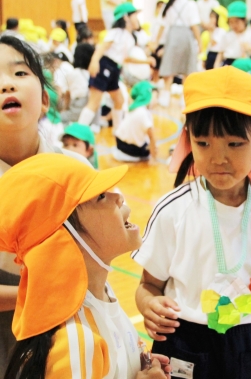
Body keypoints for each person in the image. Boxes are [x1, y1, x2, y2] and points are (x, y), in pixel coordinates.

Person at [132, 66, 251, 378]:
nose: (218, 158)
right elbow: (148, 284)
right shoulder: (174, 210)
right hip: (185, 338)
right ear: (189, 140)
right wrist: (148, 304)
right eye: (203, 143)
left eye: (234, 144)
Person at [0, 154, 171, 379]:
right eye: (100, 196)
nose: (118, 198)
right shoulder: (77, 344)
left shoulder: (101, 294)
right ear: (64, 238)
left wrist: (134, 362)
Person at [0, 35, 96, 377]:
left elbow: (102, 253)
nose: (6, 83)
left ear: (44, 99)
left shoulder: (75, 169)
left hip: (71, 319)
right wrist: (35, 293)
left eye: (20, 73)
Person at [77, 2, 155, 131]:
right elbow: (102, 47)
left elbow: (126, 59)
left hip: (114, 69)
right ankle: (78, 132)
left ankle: (117, 132)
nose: (137, 19)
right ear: (126, 17)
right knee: (94, 103)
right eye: (135, 15)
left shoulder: (130, 37)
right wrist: (94, 61)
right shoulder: (116, 32)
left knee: (120, 100)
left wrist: (146, 62)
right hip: (104, 66)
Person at [155, 0, 202, 107]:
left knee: (169, 65)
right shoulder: (191, 4)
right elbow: (194, 26)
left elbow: (162, 26)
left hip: (172, 35)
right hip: (186, 36)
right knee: (187, 68)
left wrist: (156, 42)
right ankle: (184, 97)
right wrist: (200, 43)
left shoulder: (168, 4)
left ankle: (165, 95)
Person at [113, 80, 157, 162]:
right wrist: (154, 155)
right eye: (155, 97)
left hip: (119, 143)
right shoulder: (144, 113)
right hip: (130, 149)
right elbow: (152, 137)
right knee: (147, 149)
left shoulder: (133, 107)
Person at [214, 1, 251, 67]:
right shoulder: (227, 36)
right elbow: (220, 53)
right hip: (229, 64)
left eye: (237, 22)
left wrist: (250, 48)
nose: (234, 25)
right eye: (231, 22)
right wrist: (216, 66)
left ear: (244, 20)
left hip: (244, 65)